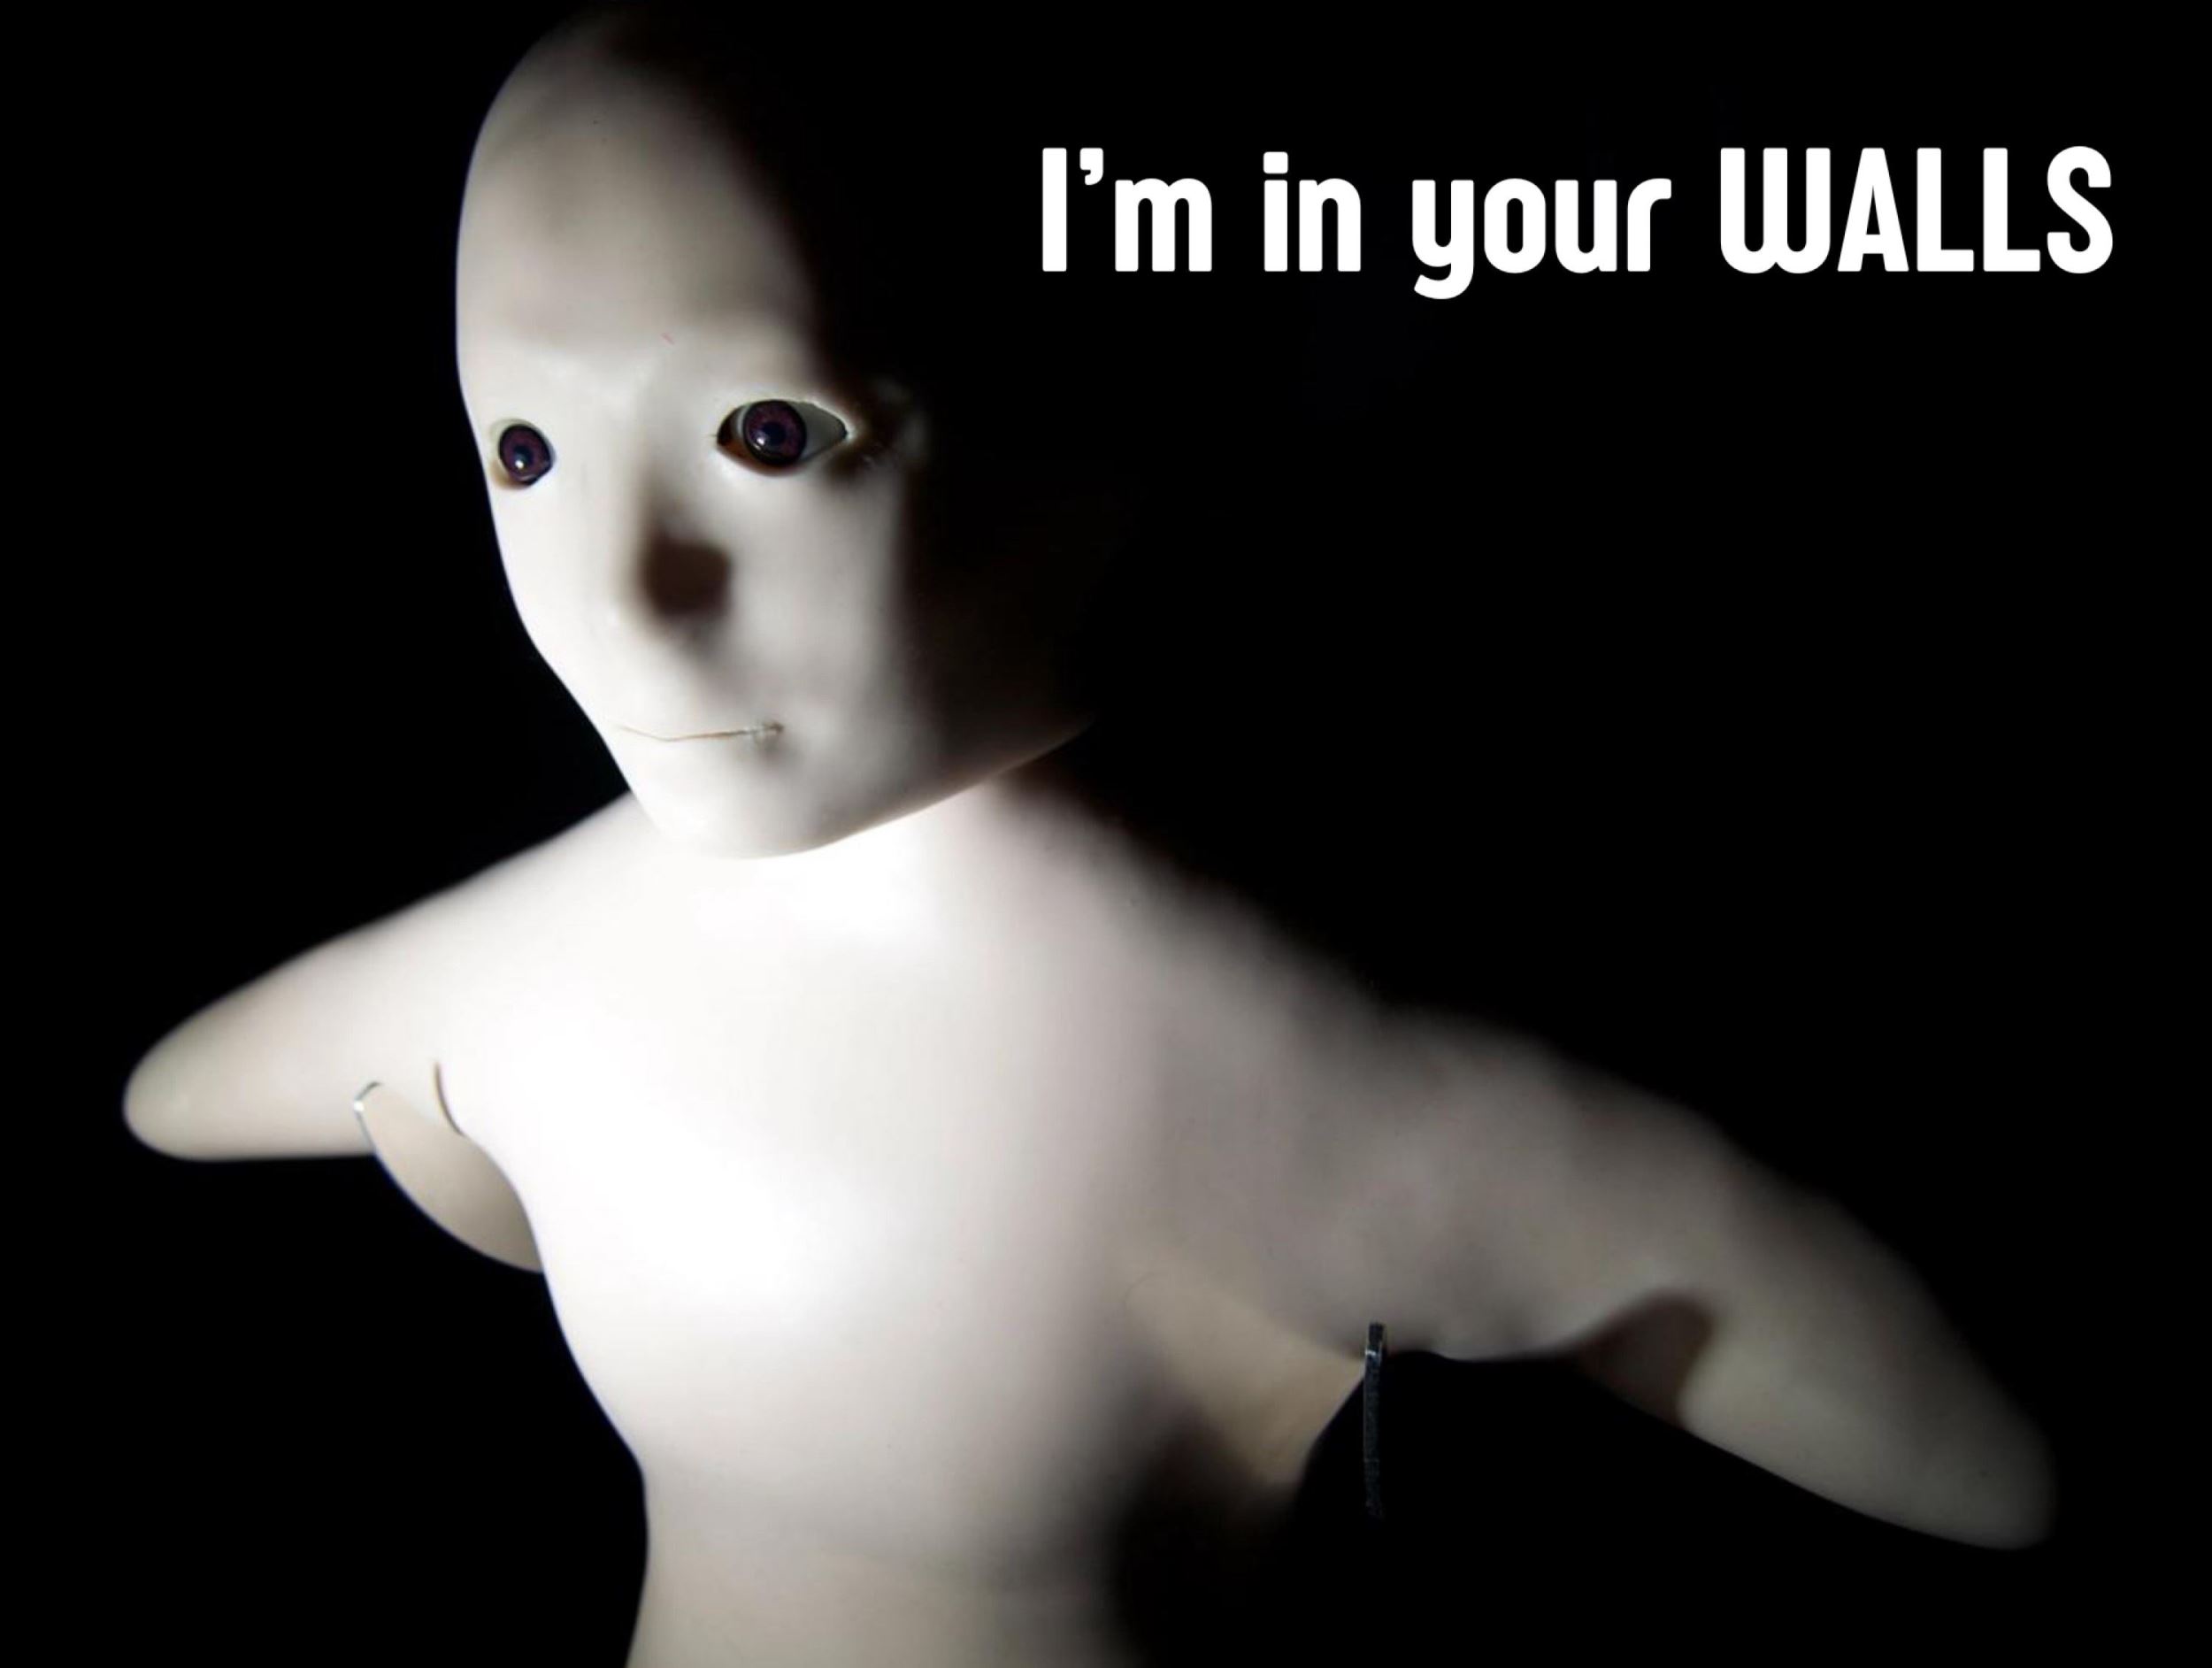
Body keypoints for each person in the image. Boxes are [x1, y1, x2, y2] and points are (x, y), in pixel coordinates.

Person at [122, 7, 2057, 1663]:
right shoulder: (523, 971)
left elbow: (1956, 1441)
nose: (620, 590)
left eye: (768, 435)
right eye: (524, 450)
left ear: (1094, 428)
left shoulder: (1308, 1078)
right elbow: (190, 1092)